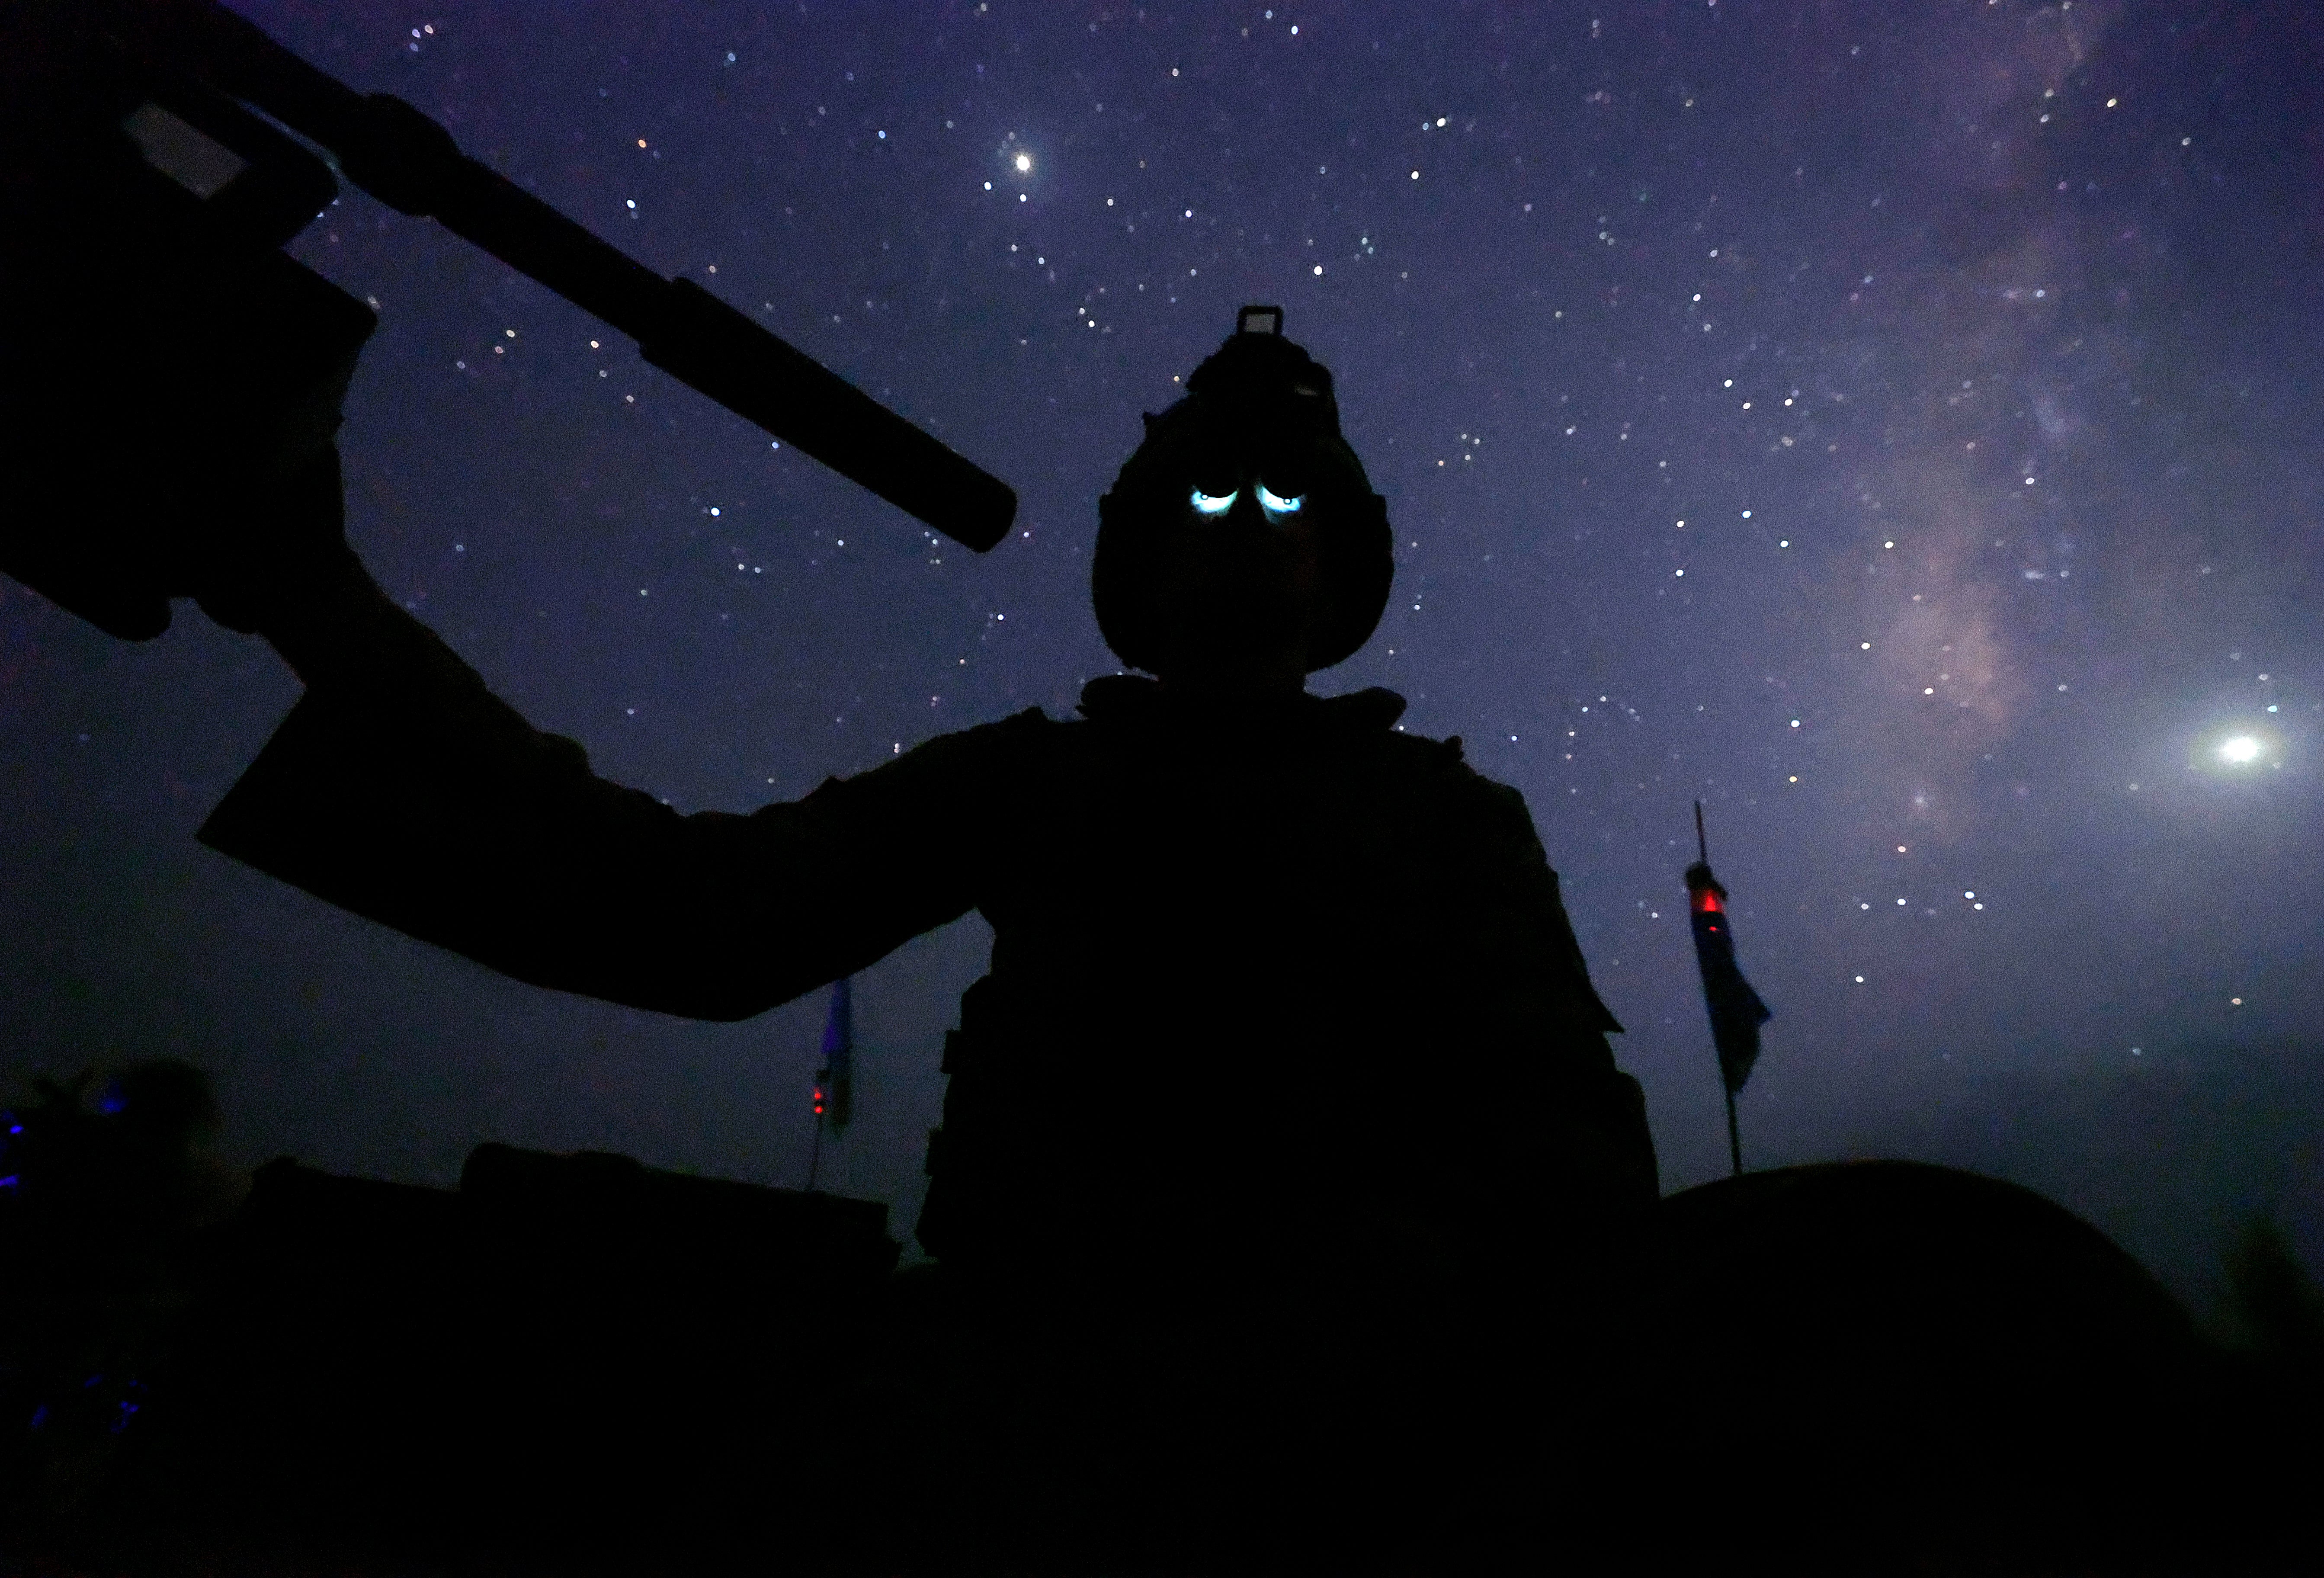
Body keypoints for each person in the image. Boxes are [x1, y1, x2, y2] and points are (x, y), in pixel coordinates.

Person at [192, 308, 1659, 1568]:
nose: (1243, 532)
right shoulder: (1035, 782)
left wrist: (1382, 1311)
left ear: (1344, 569)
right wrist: (328, 613)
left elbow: (1567, 1155)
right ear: (1136, 563)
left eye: (1285, 508)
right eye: (1205, 500)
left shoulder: (1444, 814)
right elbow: (694, 914)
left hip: (1345, 1426)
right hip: (1018, 1396)